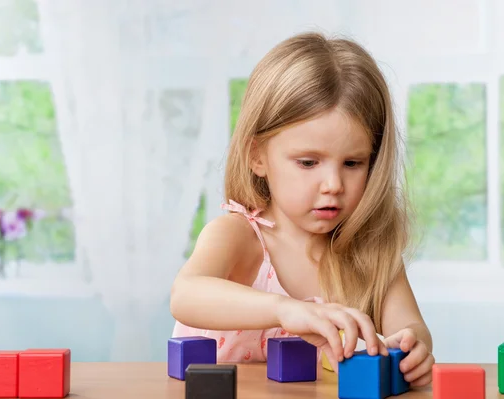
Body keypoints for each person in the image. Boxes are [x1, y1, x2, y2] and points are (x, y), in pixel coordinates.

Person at [170, 31, 434, 387]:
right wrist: (285, 309)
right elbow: (186, 295)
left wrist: (414, 346)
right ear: (257, 156)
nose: (333, 184)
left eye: (353, 163)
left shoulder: (372, 252)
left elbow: (409, 327)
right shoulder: (238, 236)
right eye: (309, 162)